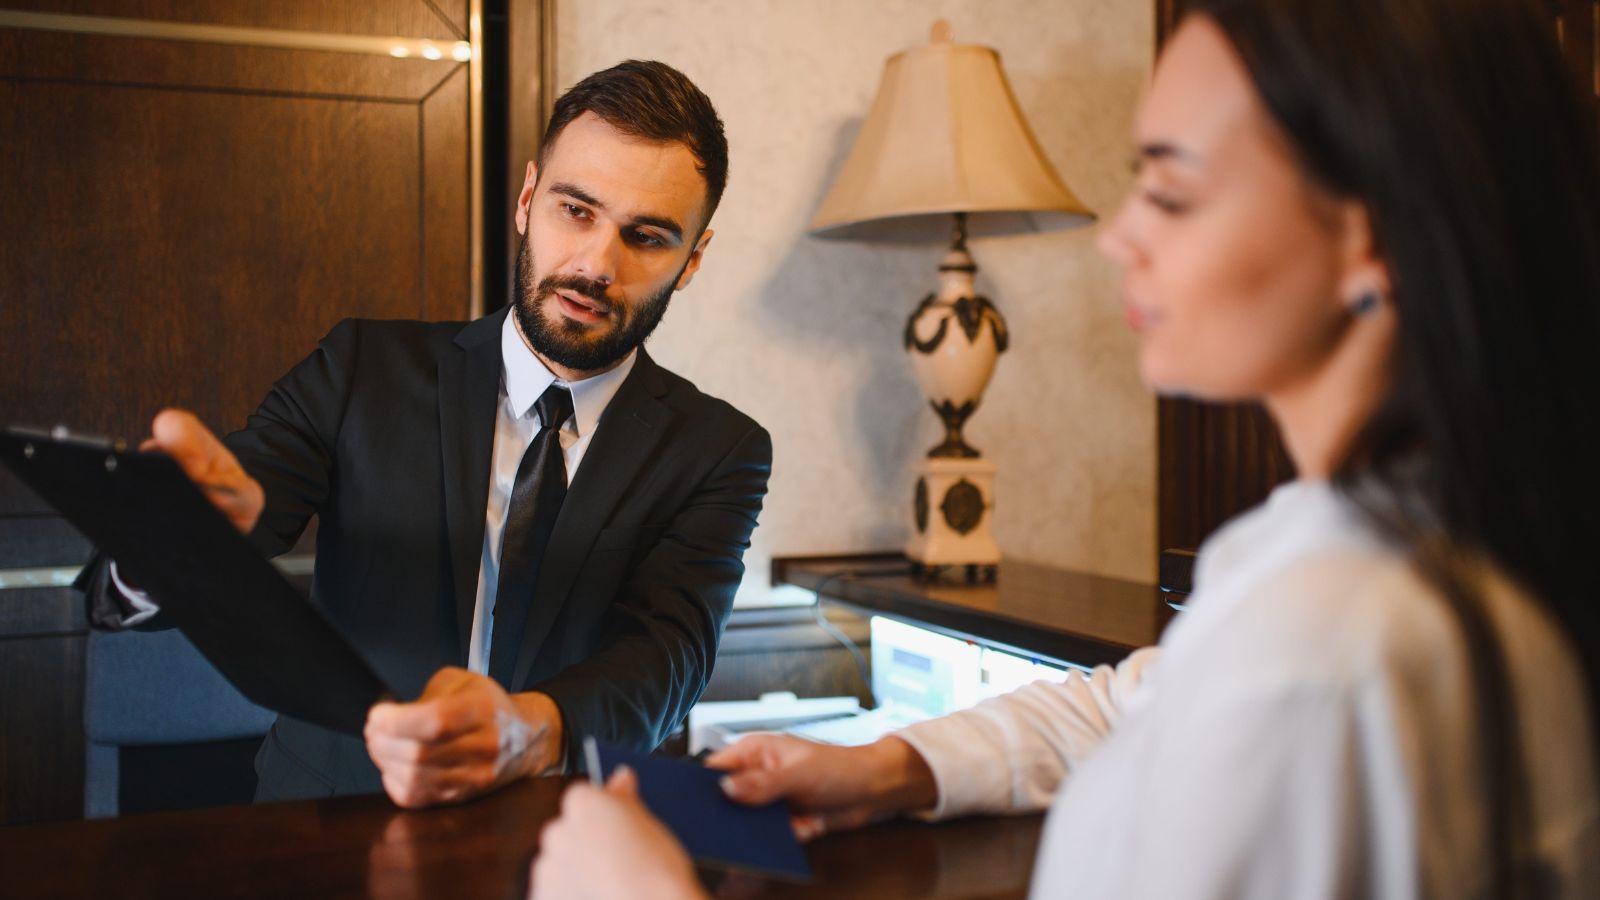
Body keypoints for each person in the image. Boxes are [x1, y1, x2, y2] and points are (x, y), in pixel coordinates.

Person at [529, 0, 1600, 896]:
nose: (1120, 234)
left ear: (1369, 233)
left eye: (1172, 190)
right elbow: (1130, 698)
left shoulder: (1321, 652)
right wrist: (890, 768)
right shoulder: (1371, 557)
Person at [79, 60, 773, 809]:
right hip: (328, 820)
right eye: (576, 210)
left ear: (692, 259)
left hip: (561, 829)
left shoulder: (720, 449)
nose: (595, 264)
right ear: (529, 198)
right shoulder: (359, 368)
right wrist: (169, 535)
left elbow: (668, 653)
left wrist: (529, 731)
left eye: (645, 237)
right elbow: (244, 496)